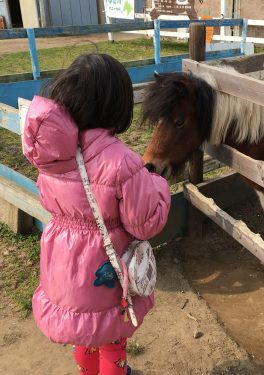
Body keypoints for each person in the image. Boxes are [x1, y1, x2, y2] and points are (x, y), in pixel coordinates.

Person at [22, 53, 171, 375]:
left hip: (64, 260)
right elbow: (143, 223)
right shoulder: (121, 161)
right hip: (104, 264)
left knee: (86, 330)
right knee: (112, 336)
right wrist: (157, 184)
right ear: (117, 105)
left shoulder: (52, 154)